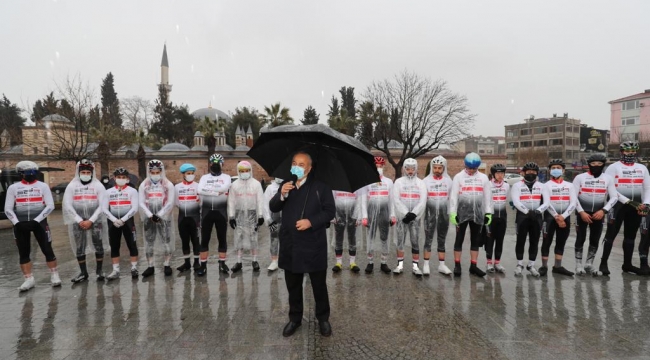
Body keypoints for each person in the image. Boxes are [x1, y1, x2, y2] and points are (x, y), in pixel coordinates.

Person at [269, 151, 336, 338]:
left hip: (314, 244)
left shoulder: (321, 187)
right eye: (294, 163)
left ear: (309, 168)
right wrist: (281, 195)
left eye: (301, 164)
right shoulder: (286, 184)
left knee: (319, 285)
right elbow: (274, 207)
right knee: (293, 285)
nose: (297, 167)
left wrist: (311, 221)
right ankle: (295, 318)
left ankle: (323, 318)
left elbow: (330, 211)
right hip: (291, 243)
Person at [4, 161, 60, 291]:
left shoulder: (43, 186)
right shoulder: (13, 188)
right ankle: (28, 279)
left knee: (47, 249)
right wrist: (16, 222)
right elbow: (8, 208)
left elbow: (50, 205)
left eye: (33, 172)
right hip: (20, 223)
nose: (31, 175)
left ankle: (54, 275)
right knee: (23, 252)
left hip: (39, 223)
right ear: (21, 174)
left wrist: (37, 220)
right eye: (27, 173)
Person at [600, 141, 650, 275]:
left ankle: (627, 264)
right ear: (621, 152)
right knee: (611, 234)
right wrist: (628, 201)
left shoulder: (642, 167)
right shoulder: (613, 167)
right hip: (618, 205)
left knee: (630, 236)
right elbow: (611, 189)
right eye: (628, 151)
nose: (631, 154)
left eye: (633, 151)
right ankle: (603, 263)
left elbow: (647, 187)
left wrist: (646, 203)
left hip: (636, 206)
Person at [62, 159, 110, 283]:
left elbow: (103, 204)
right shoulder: (72, 185)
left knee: (98, 245)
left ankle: (99, 271)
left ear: (92, 172)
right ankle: (83, 273)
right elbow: (67, 204)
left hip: (95, 220)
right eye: (82, 172)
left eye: (87, 172)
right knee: (80, 246)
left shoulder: (98, 185)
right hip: (78, 221)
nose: (85, 174)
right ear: (78, 172)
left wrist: (91, 220)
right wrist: (79, 220)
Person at [573, 154, 617, 276]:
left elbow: (614, 197)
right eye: (593, 164)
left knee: (595, 239)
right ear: (589, 165)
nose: (596, 166)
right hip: (581, 213)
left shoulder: (608, 178)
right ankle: (578, 265)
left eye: (599, 164)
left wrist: (604, 210)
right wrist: (581, 212)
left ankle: (589, 264)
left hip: (599, 213)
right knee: (580, 238)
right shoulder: (580, 177)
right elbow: (573, 197)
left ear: (603, 164)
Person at [449, 152, 493, 277]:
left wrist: (488, 213)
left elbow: (487, 197)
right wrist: (453, 213)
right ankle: (457, 265)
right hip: (461, 213)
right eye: (469, 168)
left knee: (475, 240)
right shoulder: (458, 177)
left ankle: (473, 266)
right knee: (459, 239)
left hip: (477, 214)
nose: (472, 170)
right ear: (465, 165)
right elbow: (453, 196)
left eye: (474, 168)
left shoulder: (483, 178)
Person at [511, 162, 549, 277]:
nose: (531, 174)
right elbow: (516, 202)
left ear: (537, 173)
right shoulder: (517, 186)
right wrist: (527, 211)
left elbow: (547, 202)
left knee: (535, 241)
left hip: (536, 216)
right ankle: (519, 264)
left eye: (533, 172)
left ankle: (531, 265)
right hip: (523, 216)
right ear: (524, 173)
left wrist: (537, 211)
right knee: (520, 240)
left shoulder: (542, 186)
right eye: (528, 172)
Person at [139, 160, 176, 277]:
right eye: (152, 172)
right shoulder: (144, 185)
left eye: (157, 171)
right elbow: (141, 202)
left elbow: (170, 202)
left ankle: (167, 264)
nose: (155, 174)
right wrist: (150, 215)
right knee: (149, 242)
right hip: (148, 218)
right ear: (149, 172)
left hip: (164, 218)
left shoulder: (167, 184)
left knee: (166, 241)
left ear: (161, 171)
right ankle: (150, 266)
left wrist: (159, 215)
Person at [359, 156, 396, 274]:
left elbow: (392, 200)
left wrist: (393, 215)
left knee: (384, 237)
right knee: (370, 237)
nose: (378, 168)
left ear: (383, 167)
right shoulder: (367, 181)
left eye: (380, 166)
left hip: (384, 212)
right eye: (376, 166)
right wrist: (364, 216)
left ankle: (384, 263)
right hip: (371, 212)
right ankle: (370, 262)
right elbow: (363, 199)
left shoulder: (389, 182)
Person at [540, 159, 577, 276]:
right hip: (550, 217)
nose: (556, 170)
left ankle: (557, 266)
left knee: (561, 242)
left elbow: (573, 203)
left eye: (558, 168)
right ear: (550, 170)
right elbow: (546, 203)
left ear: (563, 170)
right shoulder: (545, 185)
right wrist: (557, 216)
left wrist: (564, 216)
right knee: (547, 241)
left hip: (565, 216)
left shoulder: (569, 185)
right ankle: (544, 266)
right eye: (553, 168)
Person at [197, 153, 232, 275]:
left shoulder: (227, 177)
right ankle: (203, 266)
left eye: (218, 163)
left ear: (222, 164)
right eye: (213, 163)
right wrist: (215, 192)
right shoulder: (204, 178)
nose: (215, 165)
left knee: (222, 238)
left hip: (221, 212)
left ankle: (222, 264)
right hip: (206, 212)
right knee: (204, 239)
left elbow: (224, 188)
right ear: (210, 164)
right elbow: (199, 190)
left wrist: (209, 191)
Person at [392, 158, 428, 276]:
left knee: (415, 241)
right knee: (400, 241)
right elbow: (396, 199)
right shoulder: (398, 182)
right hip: (402, 217)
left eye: (413, 169)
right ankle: (400, 265)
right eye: (408, 169)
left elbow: (423, 200)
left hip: (415, 218)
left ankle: (415, 266)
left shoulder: (421, 183)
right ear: (404, 169)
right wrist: (405, 213)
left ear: (416, 169)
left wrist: (414, 213)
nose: (410, 171)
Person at [103, 167, 140, 280]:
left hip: (128, 221)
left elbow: (134, 208)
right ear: (114, 178)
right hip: (113, 222)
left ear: (127, 179)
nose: (121, 179)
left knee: (132, 244)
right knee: (114, 245)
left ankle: (134, 268)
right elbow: (104, 208)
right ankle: (115, 270)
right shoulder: (108, 192)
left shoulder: (132, 191)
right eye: (119, 177)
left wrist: (123, 219)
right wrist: (114, 220)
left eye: (123, 177)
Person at [228, 160, 265, 272]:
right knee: (238, 238)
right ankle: (239, 262)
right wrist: (231, 216)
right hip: (239, 214)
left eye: (247, 170)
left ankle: (255, 260)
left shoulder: (256, 184)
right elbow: (231, 201)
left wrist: (260, 215)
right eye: (242, 171)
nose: (244, 172)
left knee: (253, 237)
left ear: (250, 171)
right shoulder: (234, 185)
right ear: (238, 171)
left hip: (252, 213)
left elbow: (260, 200)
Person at [422, 156, 453, 275]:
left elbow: (452, 199)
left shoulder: (449, 181)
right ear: (432, 168)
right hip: (429, 215)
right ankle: (426, 265)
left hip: (444, 215)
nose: (437, 170)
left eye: (440, 168)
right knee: (428, 239)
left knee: (442, 239)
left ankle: (442, 265)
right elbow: (422, 200)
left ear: (443, 168)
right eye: (435, 167)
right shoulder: (425, 181)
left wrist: (453, 213)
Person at [174, 163, 201, 272]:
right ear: (183, 174)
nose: (190, 175)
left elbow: (201, 201)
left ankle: (196, 262)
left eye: (192, 173)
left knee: (195, 240)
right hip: (182, 218)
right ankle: (186, 263)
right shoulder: (177, 187)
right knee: (185, 241)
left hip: (195, 218)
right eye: (188, 173)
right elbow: (176, 202)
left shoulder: (198, 186)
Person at [484, 163, 509, 273]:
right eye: (497, 173)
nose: (500, 175)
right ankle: (489, 263)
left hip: (502, 216)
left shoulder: (507, 186)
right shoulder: (488, 185)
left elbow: (508, 199)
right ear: (493, 174)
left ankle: (497, 262)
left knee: (500, 240)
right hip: (491, 216)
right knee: (489, 240)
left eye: (502, 173)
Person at [331, 189, 361, 273]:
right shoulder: (336, 182)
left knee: (352, 236)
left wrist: (359, 215)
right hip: (339, 212)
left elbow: (359, 199)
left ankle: (352, 262)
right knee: (338, 236)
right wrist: (332, 215)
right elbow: (331, 199)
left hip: (353, 212)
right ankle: (338, 262)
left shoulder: (355, 182)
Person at [263, 177, 283, 271]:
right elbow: (265, 204)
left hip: (288, 219)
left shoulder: (291, 186)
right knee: (274, 239)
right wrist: (268, 219)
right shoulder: (270, 188)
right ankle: (274, 261)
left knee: (290, 239)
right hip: (274, 219)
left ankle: (288, 259)